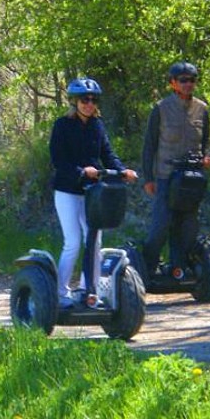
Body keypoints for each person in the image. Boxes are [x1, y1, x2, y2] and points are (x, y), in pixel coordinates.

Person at [49, 78, 137, 308]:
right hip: (67, 191)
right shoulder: (62, 126)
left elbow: (108, 154)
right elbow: (58, 161)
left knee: (95, 239)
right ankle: (59, 293)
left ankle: (89, 291)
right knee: (73, 241)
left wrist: (122, 170)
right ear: (74, 101)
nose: (89, 104)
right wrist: (81, 171)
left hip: (92, 193)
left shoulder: (97, 126)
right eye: (84, 100)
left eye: (93, 100)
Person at [142, 62, 210, 279]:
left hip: (192, 179)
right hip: (166, 178)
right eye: (183, 80)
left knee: (188, 229)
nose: (188, 84)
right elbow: (149, 146)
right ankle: (147, 269)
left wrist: (209, 156)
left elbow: (207, 141)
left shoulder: (202, 109)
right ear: (173, 83)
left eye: (192, 80)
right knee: (161, 226)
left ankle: (180, 269)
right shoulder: (161, 108)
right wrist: (148, 179)